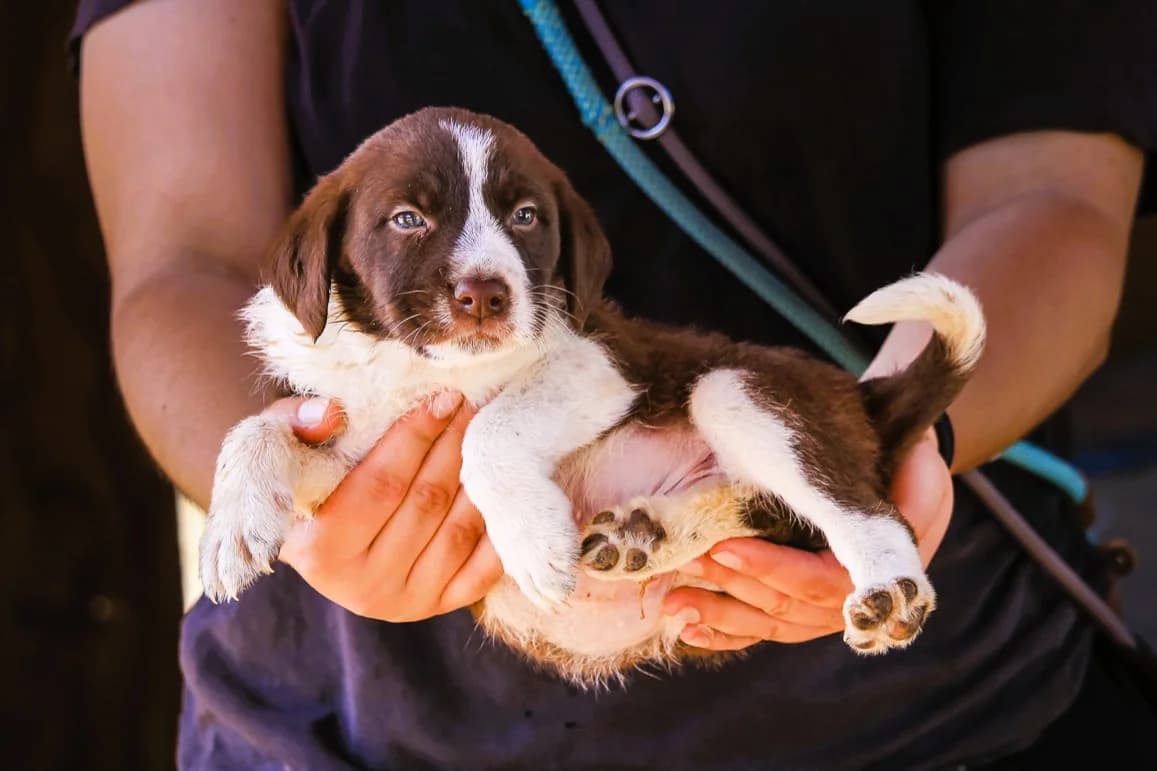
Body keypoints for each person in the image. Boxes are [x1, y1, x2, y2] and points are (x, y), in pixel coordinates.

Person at [72, 1, 1156, 767]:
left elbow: (1052, 195)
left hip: (926, 719)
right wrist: (301, 493)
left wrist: (891, 436)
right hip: (344, 728)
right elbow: (183, 263)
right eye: (411, 218)